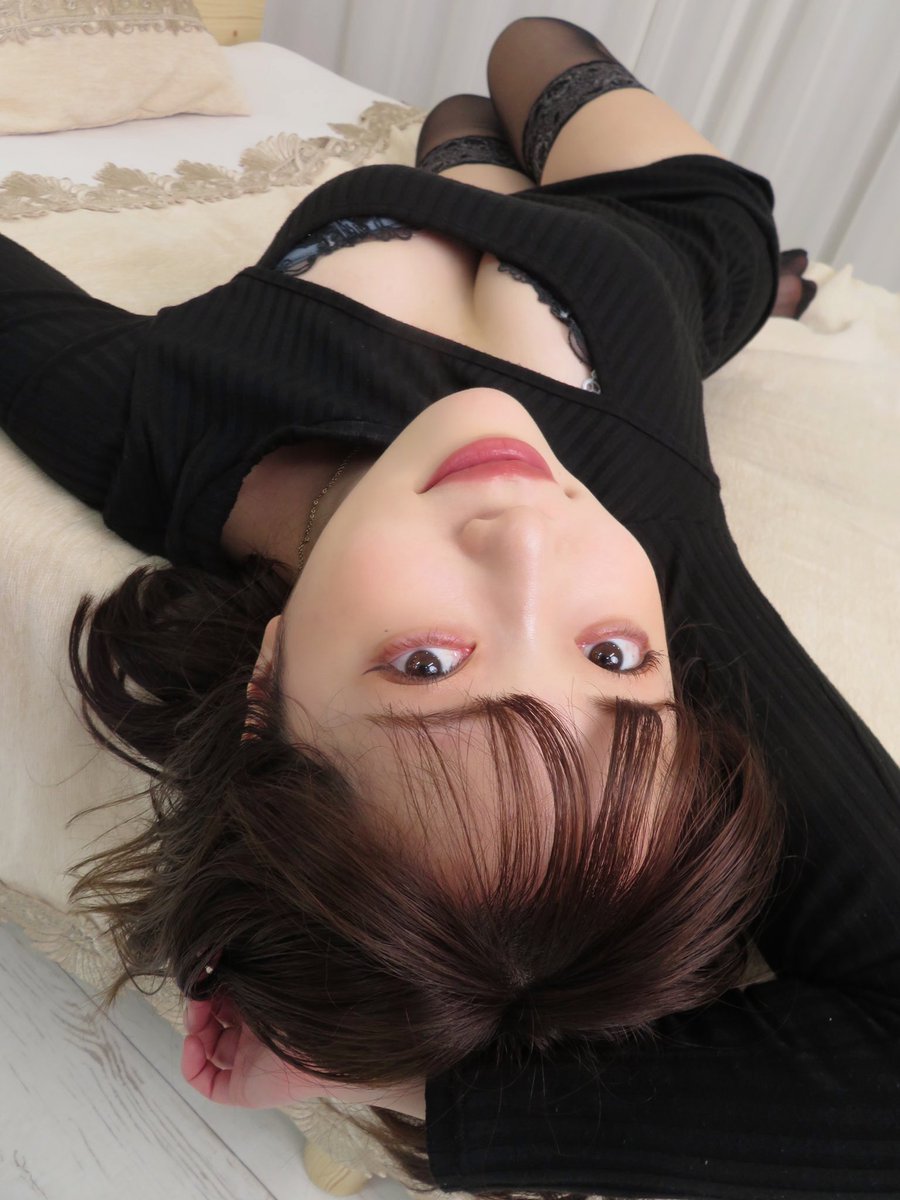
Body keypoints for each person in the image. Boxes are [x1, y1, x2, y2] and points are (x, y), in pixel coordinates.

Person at [1, 16, 895, 1200]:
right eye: (612, 657)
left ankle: (468, 166)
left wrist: (370, 1056)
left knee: (478, 103)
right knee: (530, 42)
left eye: (426, 665)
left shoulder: (149, 425)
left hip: (452, 221)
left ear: (267, 685)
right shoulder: (664, 571)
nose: (529, 540)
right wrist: (438, 1090)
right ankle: (508, 179)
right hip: (661, 234)